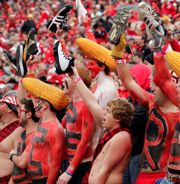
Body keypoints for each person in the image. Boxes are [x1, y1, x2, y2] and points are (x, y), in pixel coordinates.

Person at [109, 2, 180, 183]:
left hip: (163, 178)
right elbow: (127, 81)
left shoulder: (176, 107)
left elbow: (162, 79)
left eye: (155, 84)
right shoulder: (151, 102)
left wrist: (158, 46)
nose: (151, 85)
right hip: (142, 176)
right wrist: (118, 52)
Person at [69, 66, 134, 184]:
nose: (103, 113)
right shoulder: (108, 130)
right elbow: (91, 102)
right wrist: (75, 77)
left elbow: (105, 170)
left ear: (118, 118)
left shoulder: (122, 137)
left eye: (108, 111)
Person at [20, 77, 67, 184]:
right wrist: (22, 78)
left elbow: (55, 165)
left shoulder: (55, 128)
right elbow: (22, 101)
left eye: (37, 103)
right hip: (35, 180)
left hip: (45, 180)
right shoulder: (42, 121)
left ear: (45, 105)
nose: (35, 106)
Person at [57, 67, 95, 184]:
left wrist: (70, 171)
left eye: (67, 77)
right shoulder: (73, 104)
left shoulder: (85, 105)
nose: (63, 80)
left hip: (81, 165)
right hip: (70, 162)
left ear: (75, 81)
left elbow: (85, 141)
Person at [0, 90, 20, 183]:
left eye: (2, 104)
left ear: (10, 108)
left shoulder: (19, 129)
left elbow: (19, 164)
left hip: (6, 180)